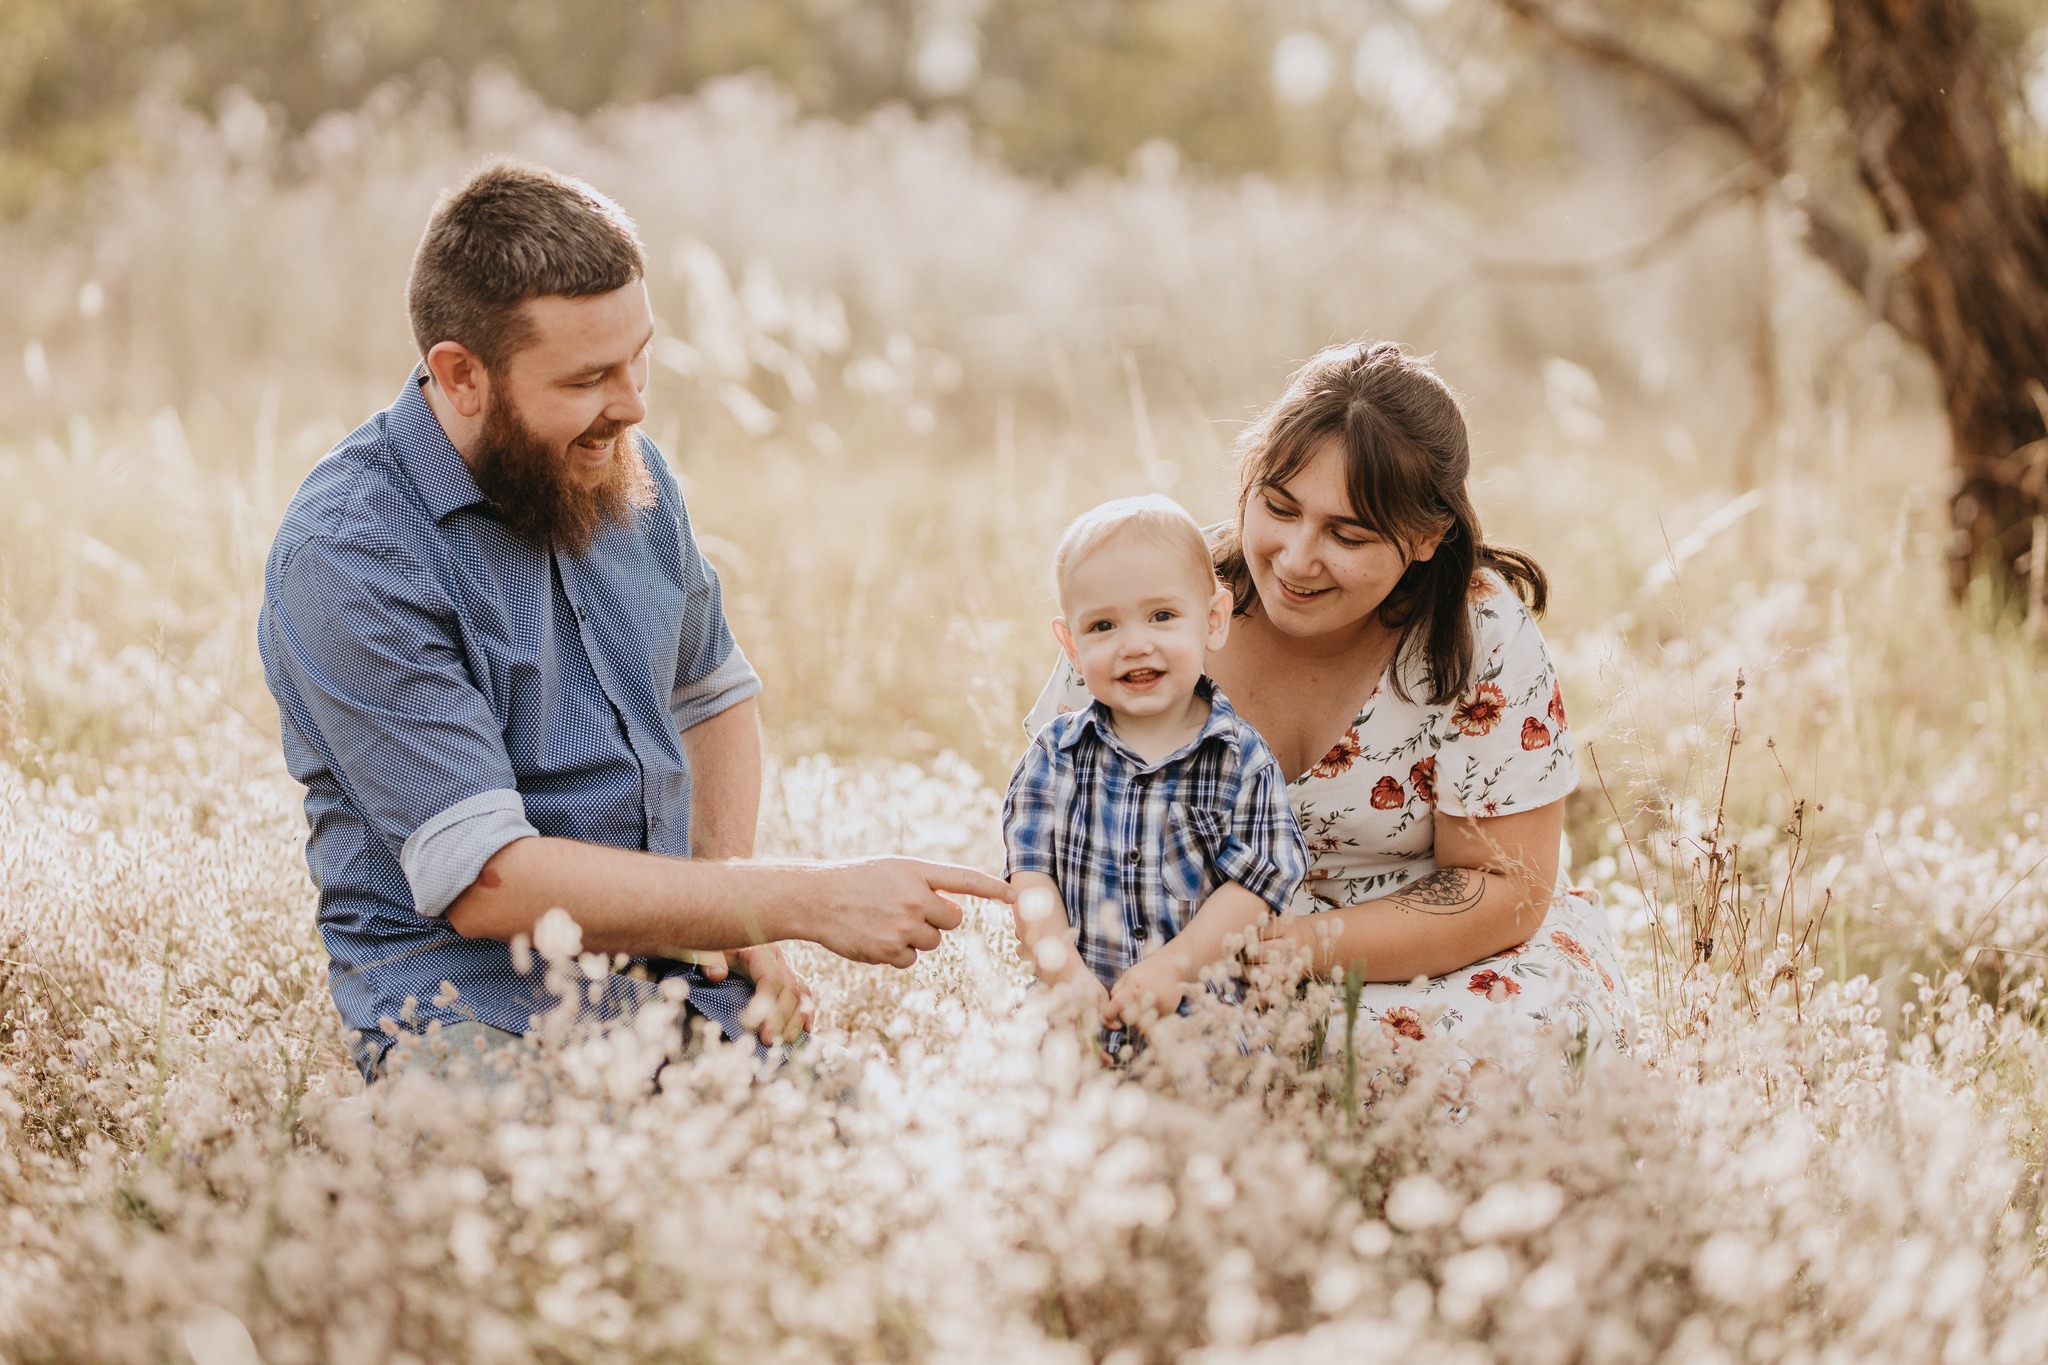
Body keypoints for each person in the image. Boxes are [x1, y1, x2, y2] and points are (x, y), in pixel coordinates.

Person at [259, 160, 1009, 1082]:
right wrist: (792, 902)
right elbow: (490, 883)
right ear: (462, 376)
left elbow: (713, 692)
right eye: (587, 378)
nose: (635, 402)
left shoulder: (621, 461)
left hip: (680, 981)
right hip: (476, 1010)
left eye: (639, 355)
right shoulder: (351, 554)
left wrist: (730, 914)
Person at [1027, 342, 1632, 1063]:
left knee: (1507, 1048)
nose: (1295, 557)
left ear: (1426, 536)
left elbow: (1506, 885)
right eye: (1278, 508)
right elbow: (1049, 830)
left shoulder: (1479, 631)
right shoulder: (1160, 599)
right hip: (1169, 955)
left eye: (1346, 534)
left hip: (1428, 960)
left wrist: (1300, 946)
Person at [1003, 495, 1308, 1052]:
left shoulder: (1240, 758)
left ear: (1213, 621)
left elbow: (1256, 884)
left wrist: (1174, 967)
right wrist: (1062, 970)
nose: (1135, 643)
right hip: (1076, 1009)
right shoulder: (1054, 755)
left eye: (1162, 616)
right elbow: (1030, 876)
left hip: (1201, 1018)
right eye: (1102, 626)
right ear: (1070, 645)